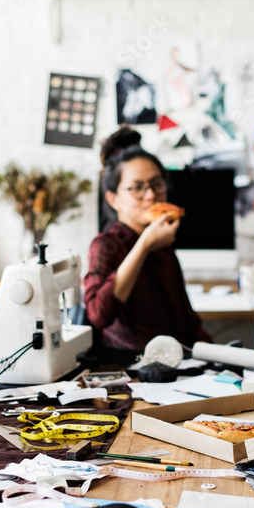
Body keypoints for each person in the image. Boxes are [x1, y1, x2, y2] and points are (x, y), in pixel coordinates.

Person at [84, 126, 211, 354]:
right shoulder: (105, 245)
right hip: (134, 367)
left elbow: (187, 321)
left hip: (180, 361)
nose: (151, 195)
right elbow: (98, 315)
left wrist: (217, 357)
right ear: (114, 199)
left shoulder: (164, 244)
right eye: (137, 188)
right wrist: (143, 245)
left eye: (157, 184)